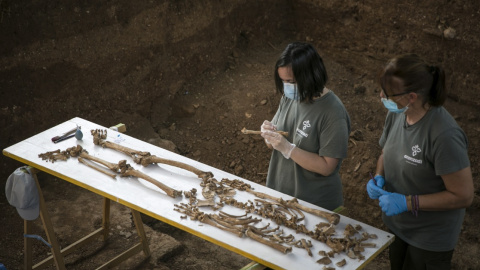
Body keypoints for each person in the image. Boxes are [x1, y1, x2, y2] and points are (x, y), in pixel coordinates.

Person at [366, 54, 474, 270]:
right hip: (399, 226)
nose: (381, 96)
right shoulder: (397, 114)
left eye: (387, 94)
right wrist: (379, 175)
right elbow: (386, 151)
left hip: (430, 237)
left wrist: (408, 202)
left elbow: (463, 196)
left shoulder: (444, 135)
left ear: (411, 96)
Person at [260, 42, 351, 211]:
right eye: (283, 81)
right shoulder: (290, 97)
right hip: (281, 197)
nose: (286, 87)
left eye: (291, 81)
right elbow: (274, 141)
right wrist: (268, 134)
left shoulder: (332, 112)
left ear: (311, 76)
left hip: (314, 206)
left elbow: (327, 167)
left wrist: (288, 149)